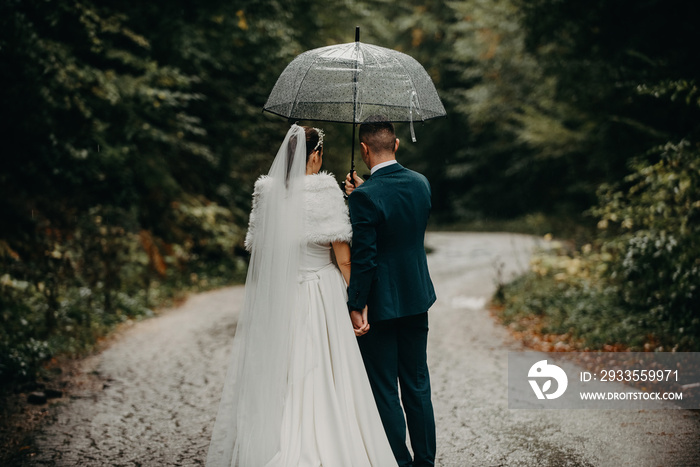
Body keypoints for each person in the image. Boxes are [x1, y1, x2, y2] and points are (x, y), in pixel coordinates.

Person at [206, 124, 397, 467]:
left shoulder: (267, 196)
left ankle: (281, 437)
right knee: (327, 370)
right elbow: (343, 259)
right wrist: (359, 302)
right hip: (321, 293)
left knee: (288, 370)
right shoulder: (324, 192)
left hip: (282, 296)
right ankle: (327, 439)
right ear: (315, 156)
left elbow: (263, 255)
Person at [344, 118, 437, 467]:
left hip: (380, 306)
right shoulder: (421, 183)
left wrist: (356, 304)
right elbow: (399, 220)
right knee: (417, 384)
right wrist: (363, 194)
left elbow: (365, 259)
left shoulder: (365, 197)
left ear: (364, 150)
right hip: (417, 297)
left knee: (384, 388)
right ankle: (425, 462)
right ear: (396, 145)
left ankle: (400, 461)